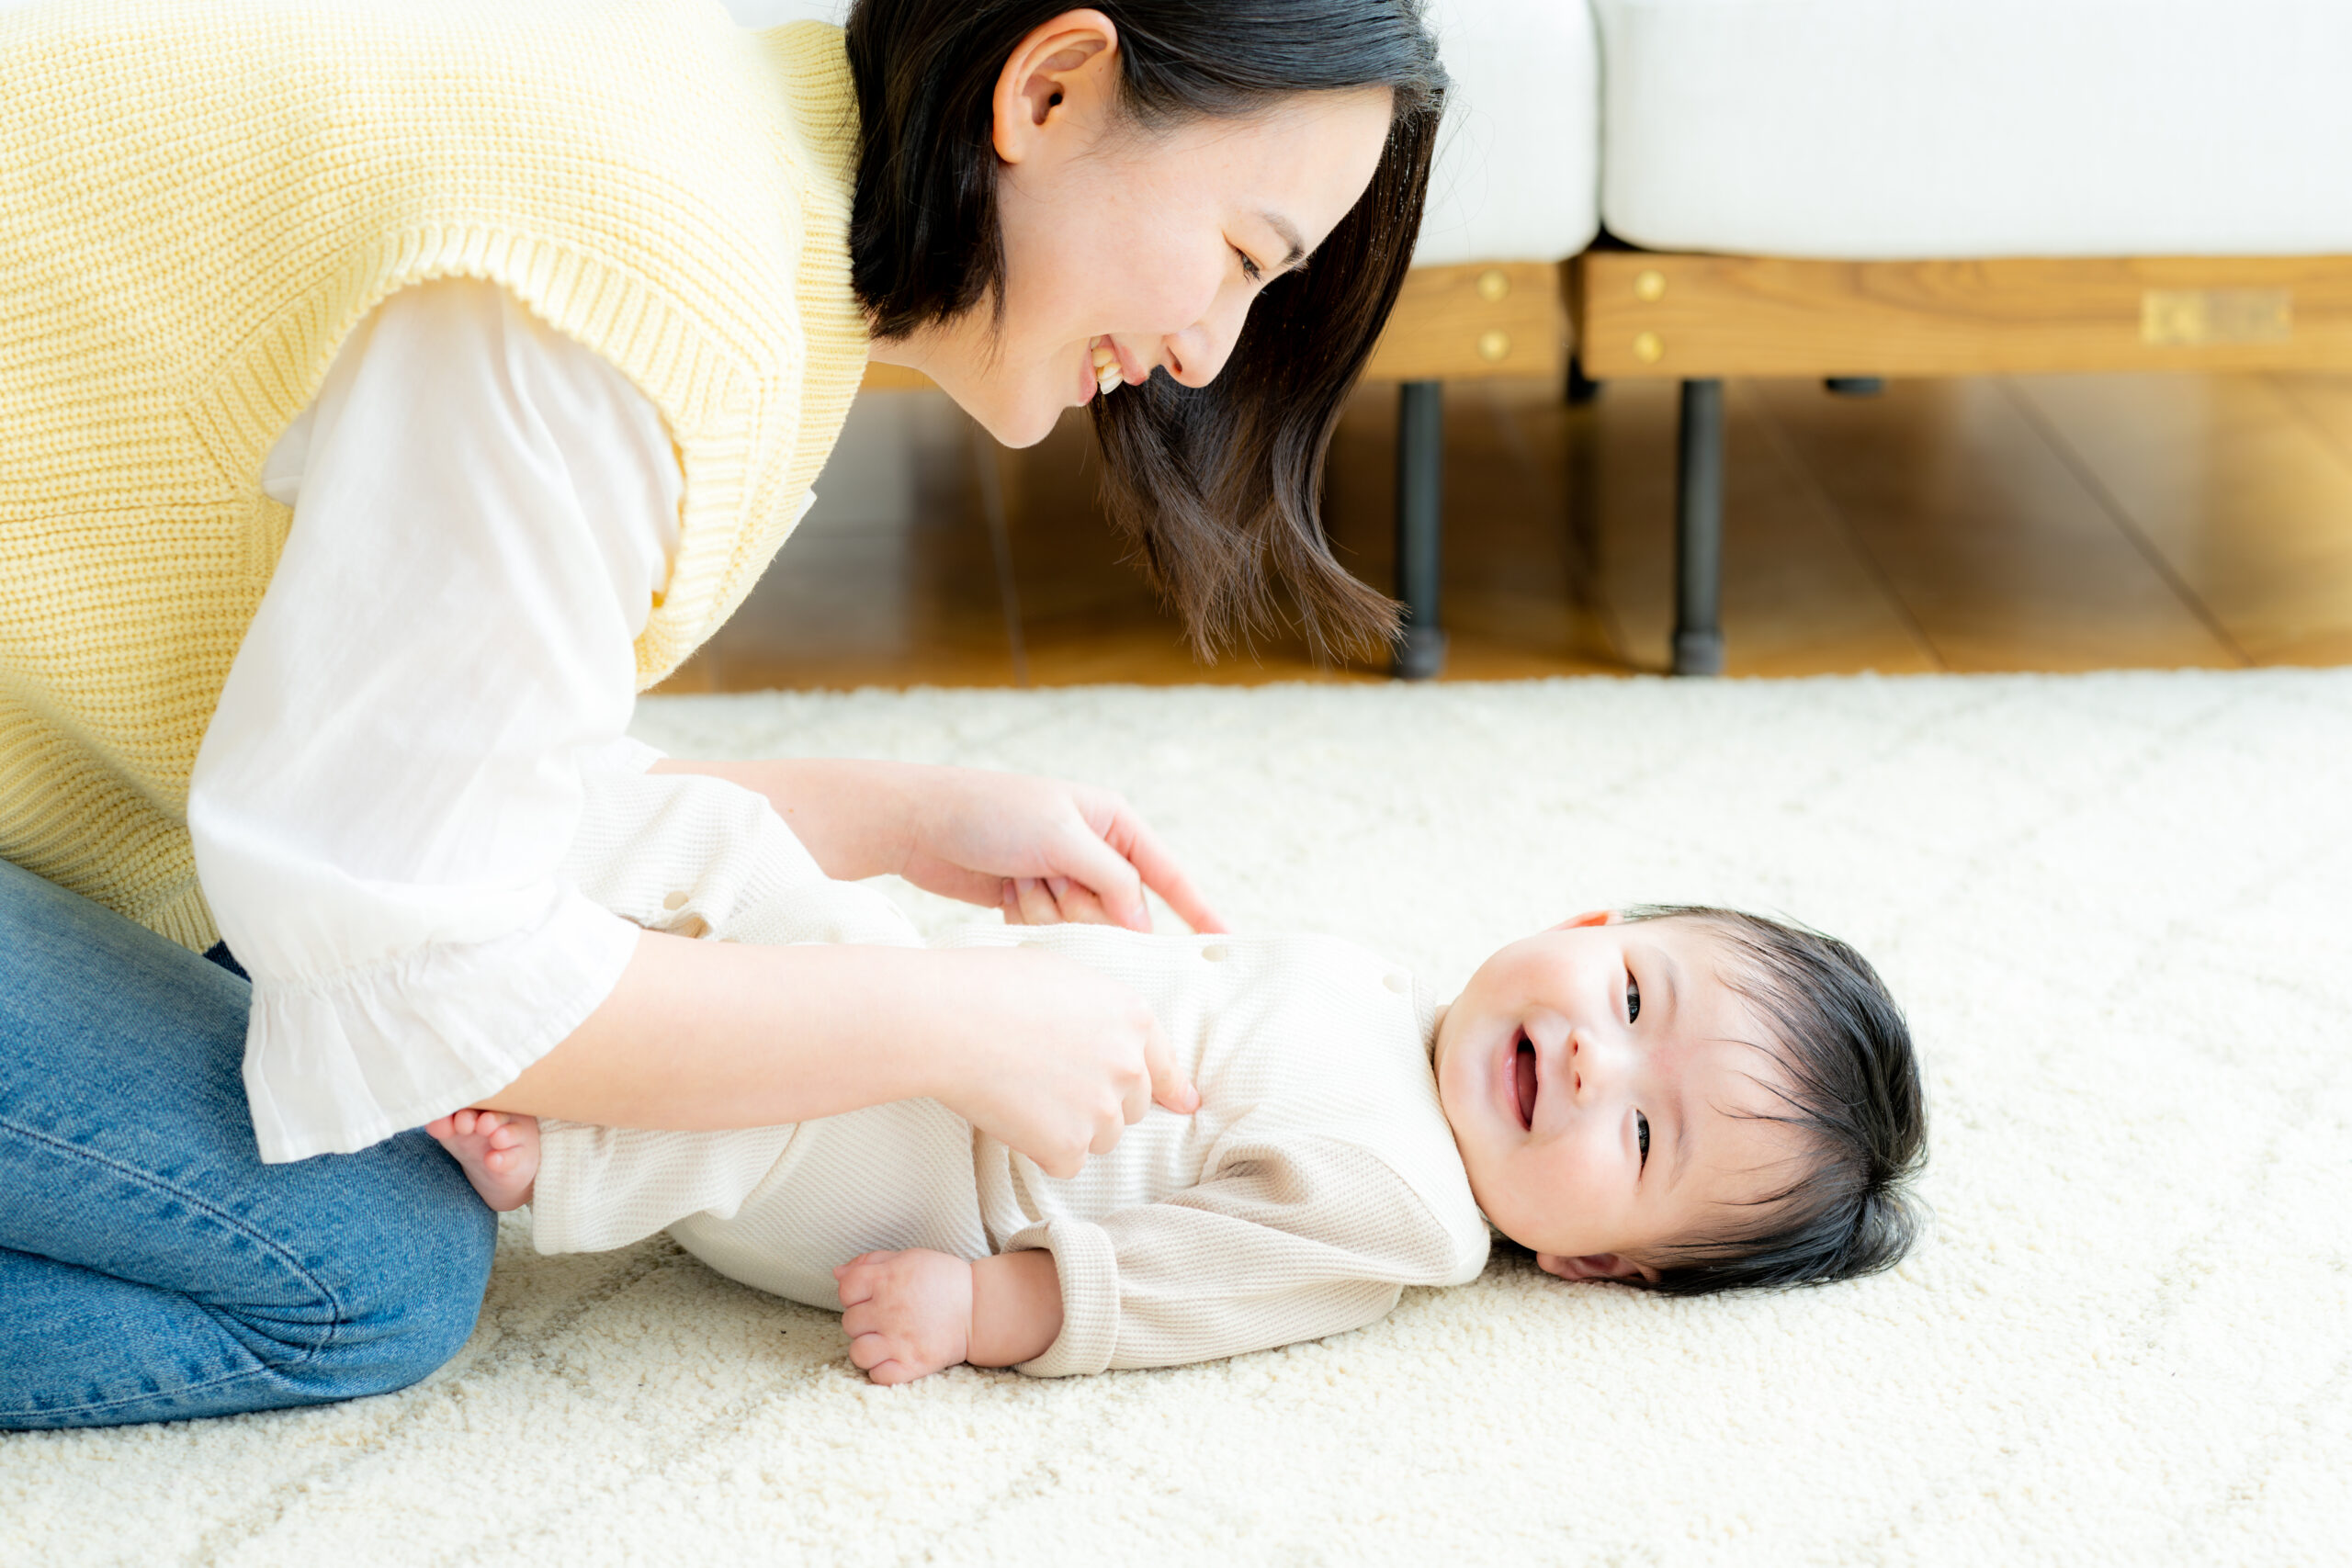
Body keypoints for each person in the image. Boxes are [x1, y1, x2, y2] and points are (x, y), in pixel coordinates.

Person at [0, 0, 1446, 1427]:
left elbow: (433, 759)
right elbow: (413, 958)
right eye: (1244, 257)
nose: (1208, 350)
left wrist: (899, 816)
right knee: (367, 1262)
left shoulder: (738, 170)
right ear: (1050, 90)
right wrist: (947, 1019)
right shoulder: (643, 287)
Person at [428, 758, 1930, 1383]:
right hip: (937, 1031)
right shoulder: (1392, 999)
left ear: (1598, 1260)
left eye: (1647, 1137)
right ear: (1588, 922)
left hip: (937, 1180)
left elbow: (1190, 1286)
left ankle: (585, 1150)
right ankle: (538, 865)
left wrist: (989, 1311)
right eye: (1626, 992)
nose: (1597, 1062)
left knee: (786, 1019)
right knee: (766, 888)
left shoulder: (1405, 1206)